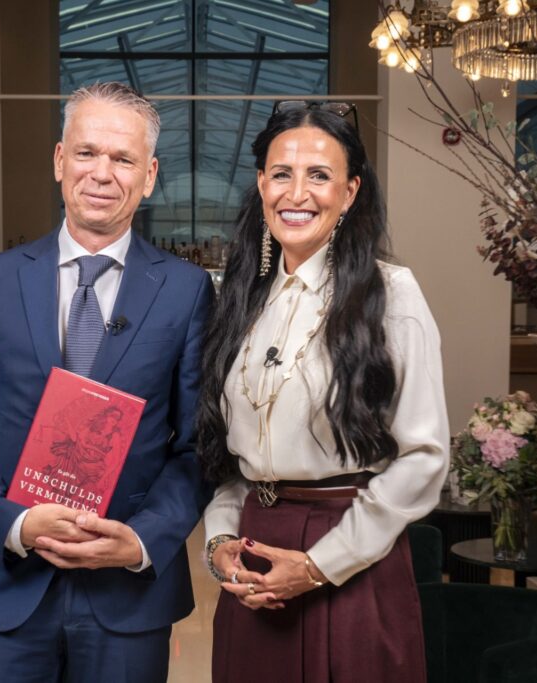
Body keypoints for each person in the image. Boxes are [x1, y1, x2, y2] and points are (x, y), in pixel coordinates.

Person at [0, 82, 214, 683]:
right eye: (87, 152)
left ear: (149, 176)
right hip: (4, 586)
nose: (102, 173)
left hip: (127, 598)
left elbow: (198, 447)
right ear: (60, 160)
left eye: (123, 158)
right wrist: (13, 523)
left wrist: (141, 540)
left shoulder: (187, 292)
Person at [197, 102, 449, 682]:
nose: (297, 193)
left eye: (319, 175)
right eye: (281, 174)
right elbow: (234, 460)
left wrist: (318, 565)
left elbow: (424, 456)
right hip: (255, 563)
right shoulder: (243, 297)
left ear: (350, 191)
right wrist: (220, 541)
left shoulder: (391, 295)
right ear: (261, 185)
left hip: (350, 557)